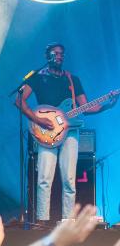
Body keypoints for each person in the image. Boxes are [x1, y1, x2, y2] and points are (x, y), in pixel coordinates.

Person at [15, 43, 118, 223]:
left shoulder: (72, 80)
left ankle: (68, 221)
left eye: (62, 54)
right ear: (48, 56)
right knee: (44, 178)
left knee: (69, 180)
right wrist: (38, 120)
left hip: (70, 133)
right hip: (46, 132)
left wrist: (109, 104)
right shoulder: (37, 77)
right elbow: (20, 101)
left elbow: (86, 106)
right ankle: (42, 222)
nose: (60, 56)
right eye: (56, 54)